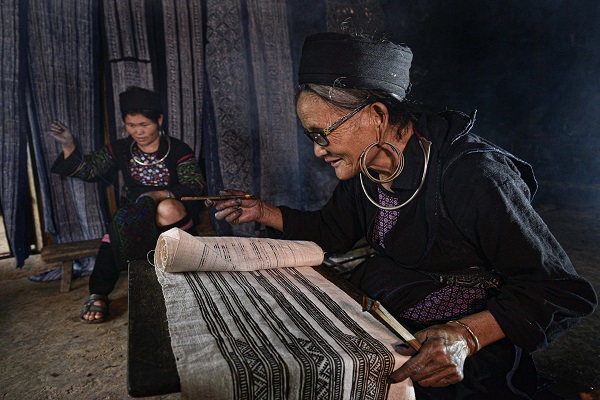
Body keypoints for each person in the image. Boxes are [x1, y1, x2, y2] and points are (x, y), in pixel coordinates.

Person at [207, 32, 597, 399]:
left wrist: (466, 337)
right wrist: (263, 211)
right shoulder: (367, 168)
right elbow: (332, 231)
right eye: (311, 137)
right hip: (388, 304)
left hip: (459, 342)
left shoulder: (474, 175)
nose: (317, 151)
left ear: (376, 114)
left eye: (322, 134)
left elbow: (560, 290)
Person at [49, 86, 206, 324]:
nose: (138, 132)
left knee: (166, 208)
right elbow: (89, 170)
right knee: (120, 223)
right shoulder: (122, 148)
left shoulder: (178, 149)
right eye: (131, 125)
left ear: (159, 121)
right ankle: (99, 293)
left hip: (173, 210)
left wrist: (157, 195)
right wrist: (69, 145)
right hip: (137, 210)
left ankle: (184, 276)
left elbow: (194, 186)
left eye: (144, 125)